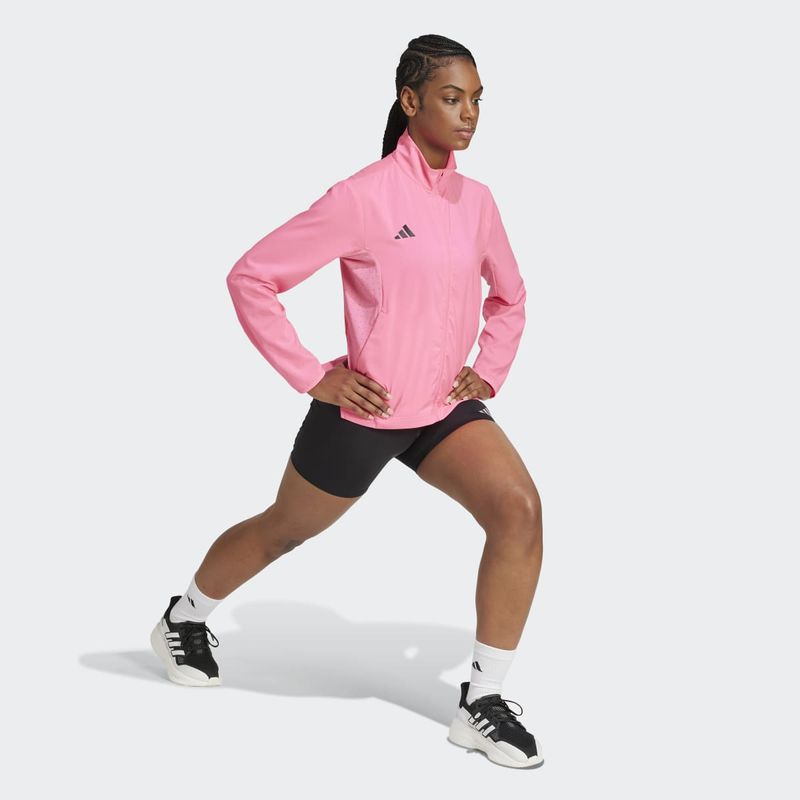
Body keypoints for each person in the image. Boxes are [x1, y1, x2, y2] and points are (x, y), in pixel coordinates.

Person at [150, 34, 544, 769]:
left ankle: (481, 702)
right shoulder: (363, 197)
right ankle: (185, 617)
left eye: (477, 99)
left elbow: (511, 296)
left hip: (442, 407)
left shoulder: (478, 201)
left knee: (518, 510)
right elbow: (251, 277)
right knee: (283, 531)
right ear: (410, 101)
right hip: (366, 408)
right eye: (452, 98)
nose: (469, 114)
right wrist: (310, 374)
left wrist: (487, 370)